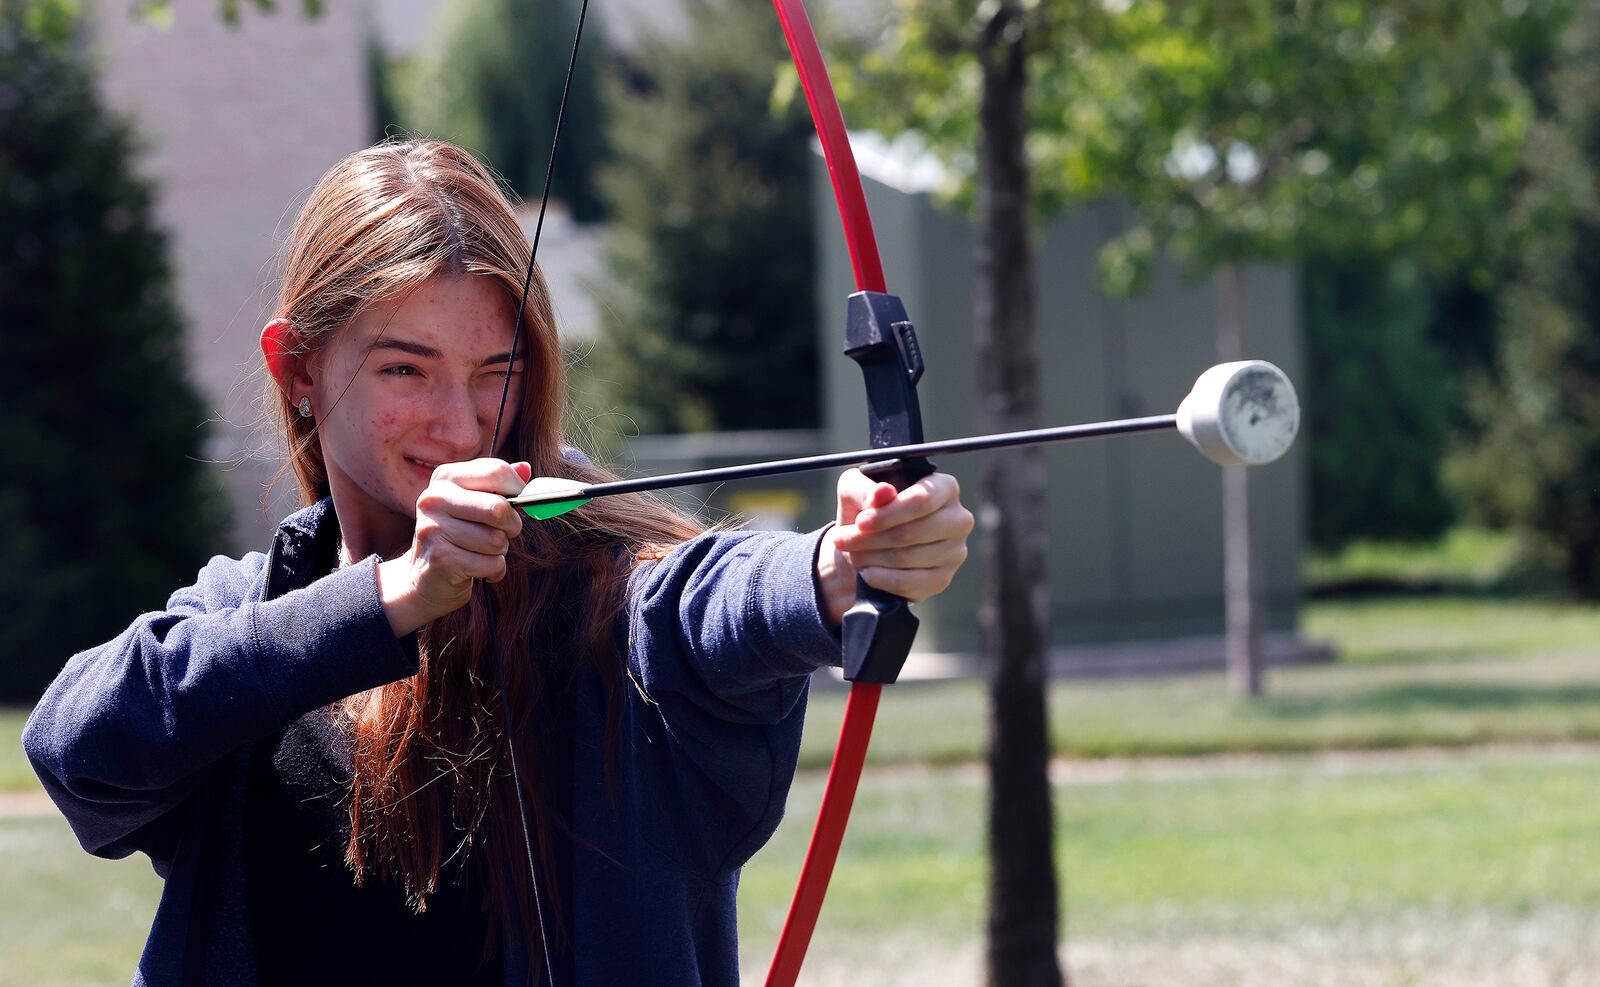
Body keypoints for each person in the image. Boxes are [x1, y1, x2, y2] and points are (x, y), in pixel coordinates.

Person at [22, 139, 973, 986]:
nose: (461, 423)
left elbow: (707, 597)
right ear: (298, 369)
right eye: (405, 368)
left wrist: (835, 569)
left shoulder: (610, 592)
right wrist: (387, 599)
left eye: (497, 371)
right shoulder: (253, 615)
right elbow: (76, 748)